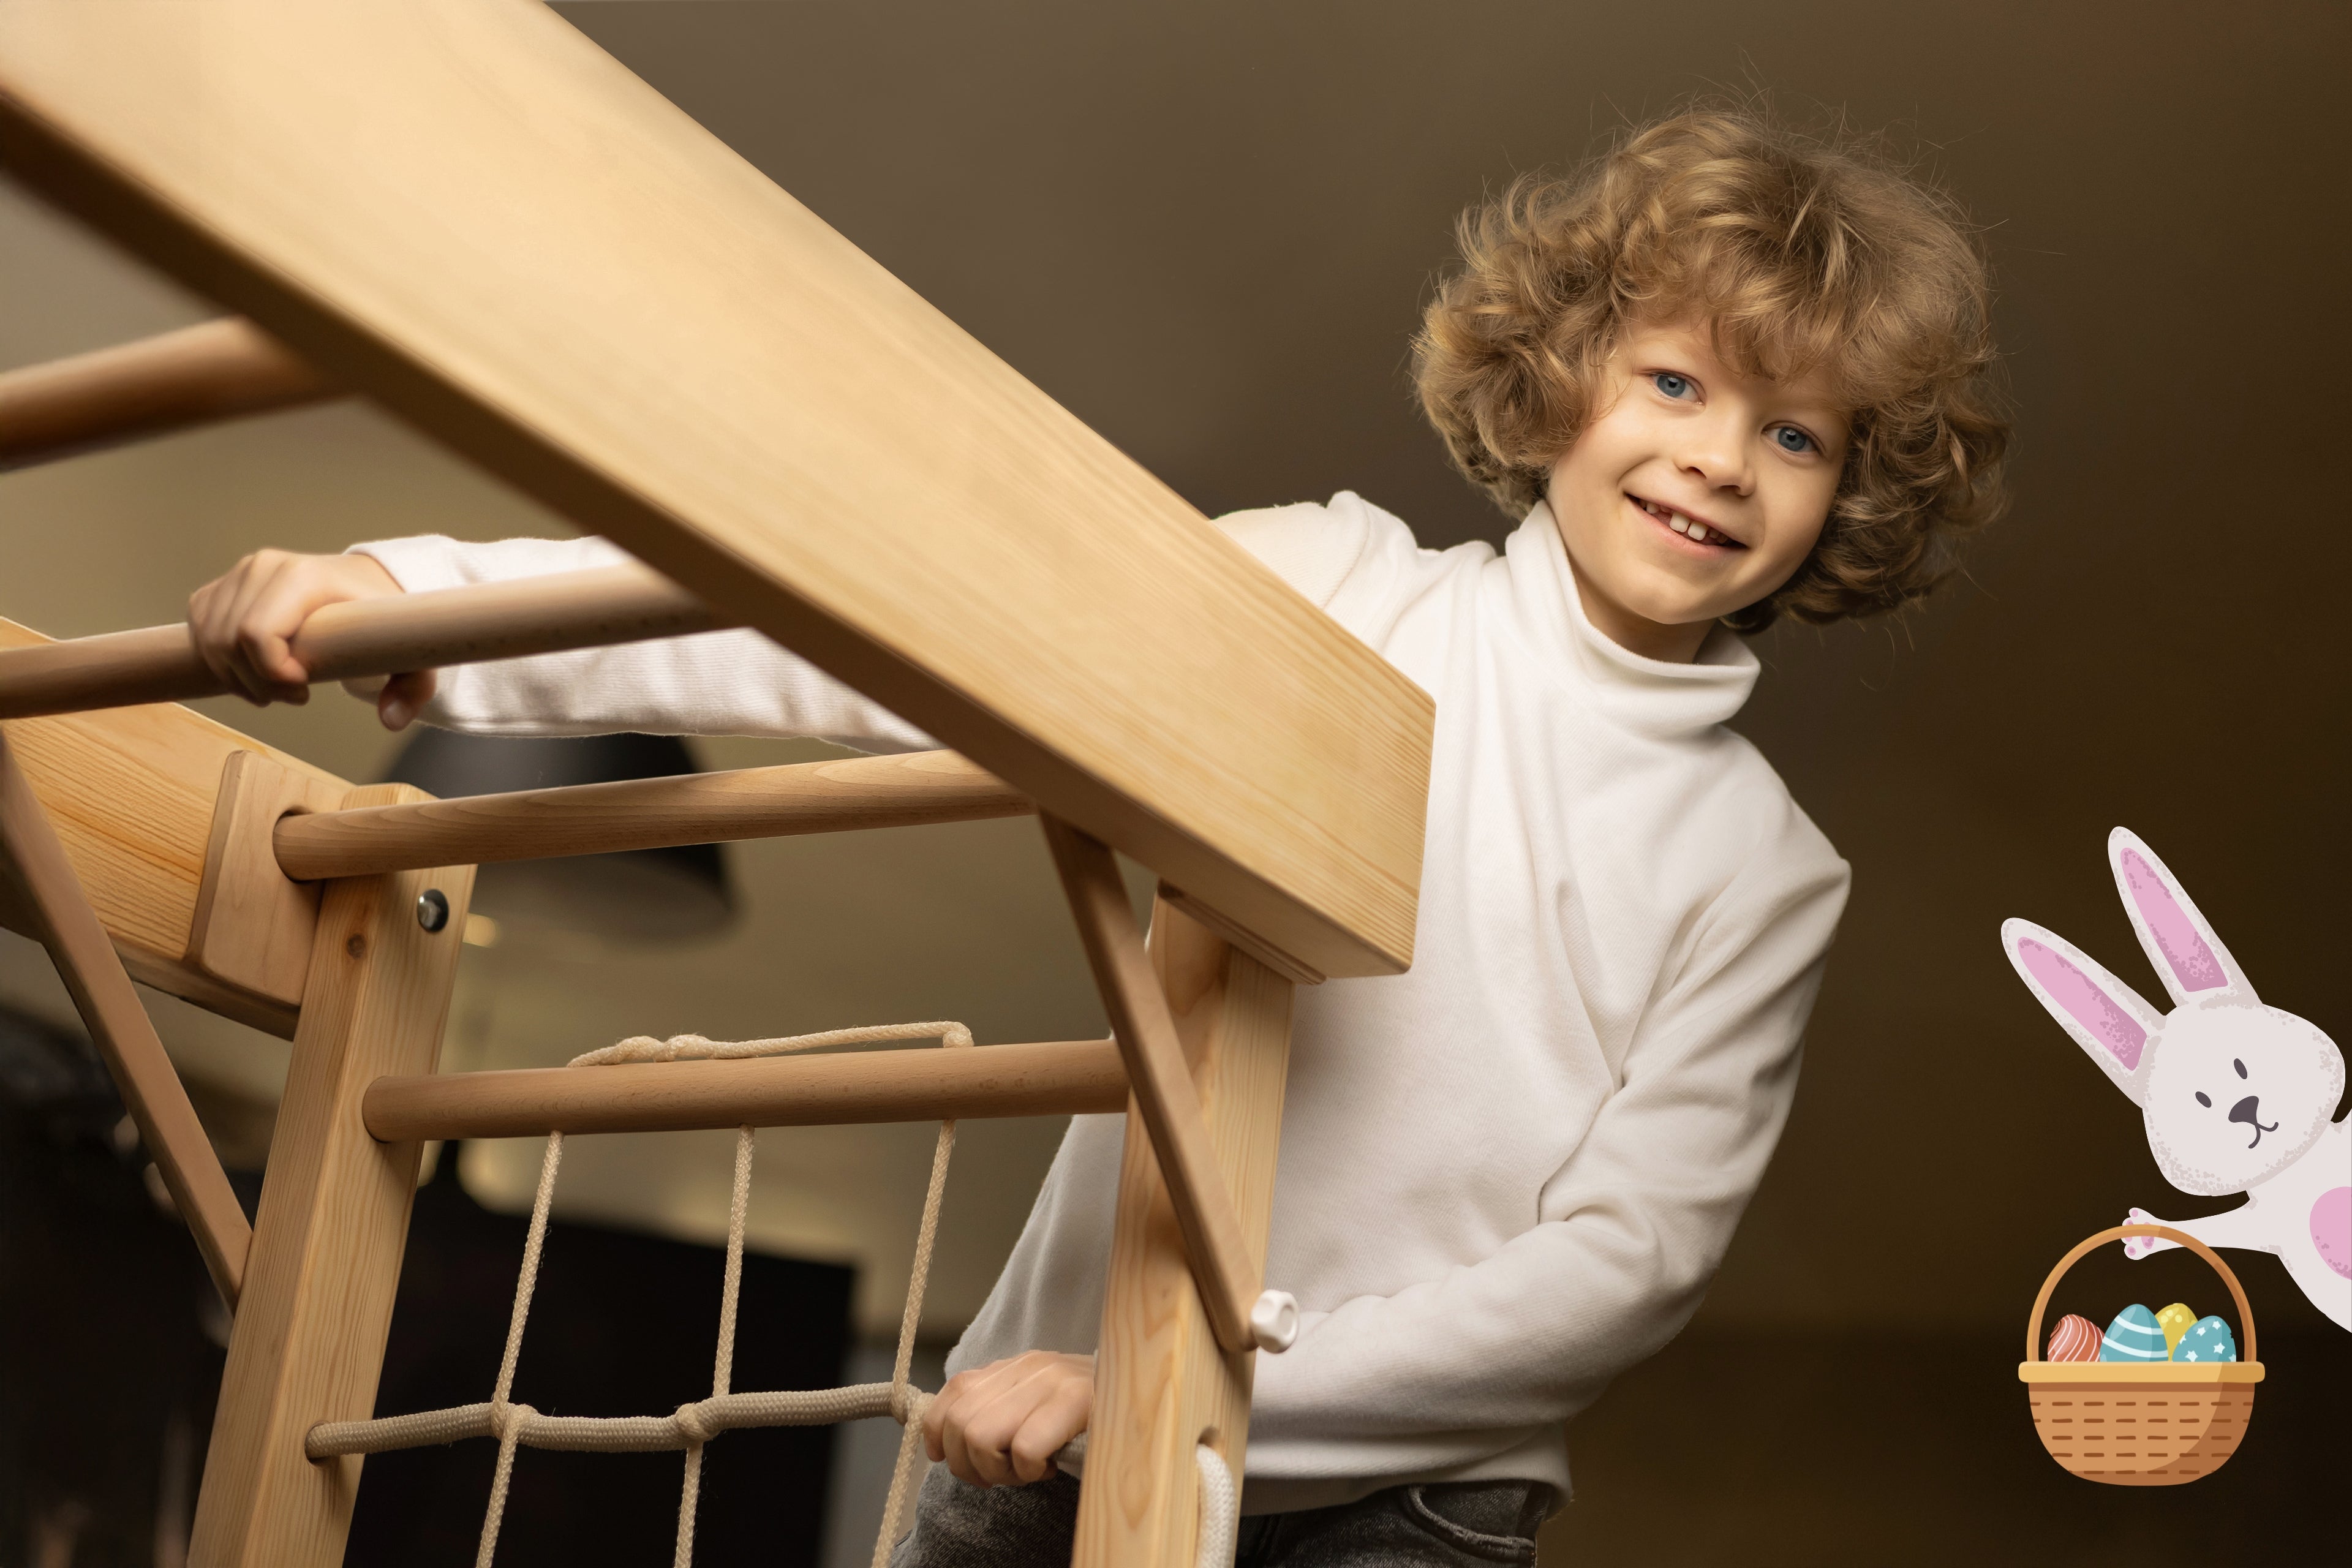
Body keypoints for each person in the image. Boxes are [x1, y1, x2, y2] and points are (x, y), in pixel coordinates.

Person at [189, 105, 2007, 1566]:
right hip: (1026, 1445)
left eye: (1796, 433)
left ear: (1849, 498)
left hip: (1404, 1516)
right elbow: (910, 621)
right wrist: (429, 598)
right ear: (1562, 387)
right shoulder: (1341, 595)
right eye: (1677, 385)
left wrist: (1184, 1387)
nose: (1717, 459)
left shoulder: (1767, 870)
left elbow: (1622, 1266)